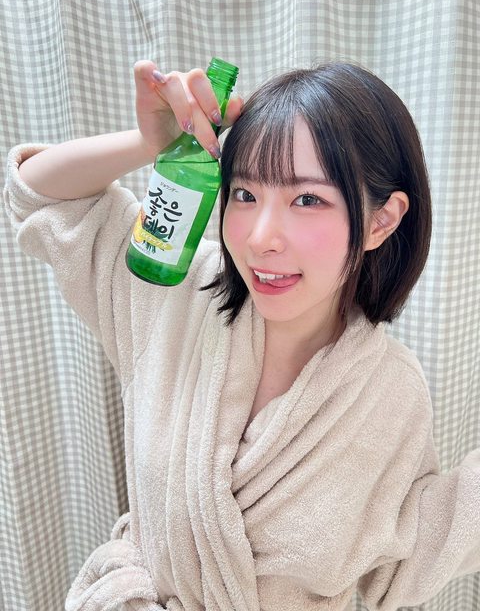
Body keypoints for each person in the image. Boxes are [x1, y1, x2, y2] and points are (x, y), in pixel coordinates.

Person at [3, 60, 480, 611]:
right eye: (244, 194)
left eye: (307, 199)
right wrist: (150, 143)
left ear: (382, 221)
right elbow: (38, 195)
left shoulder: (390, 392)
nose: (259, 238)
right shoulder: (175, 293)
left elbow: (408, 548)